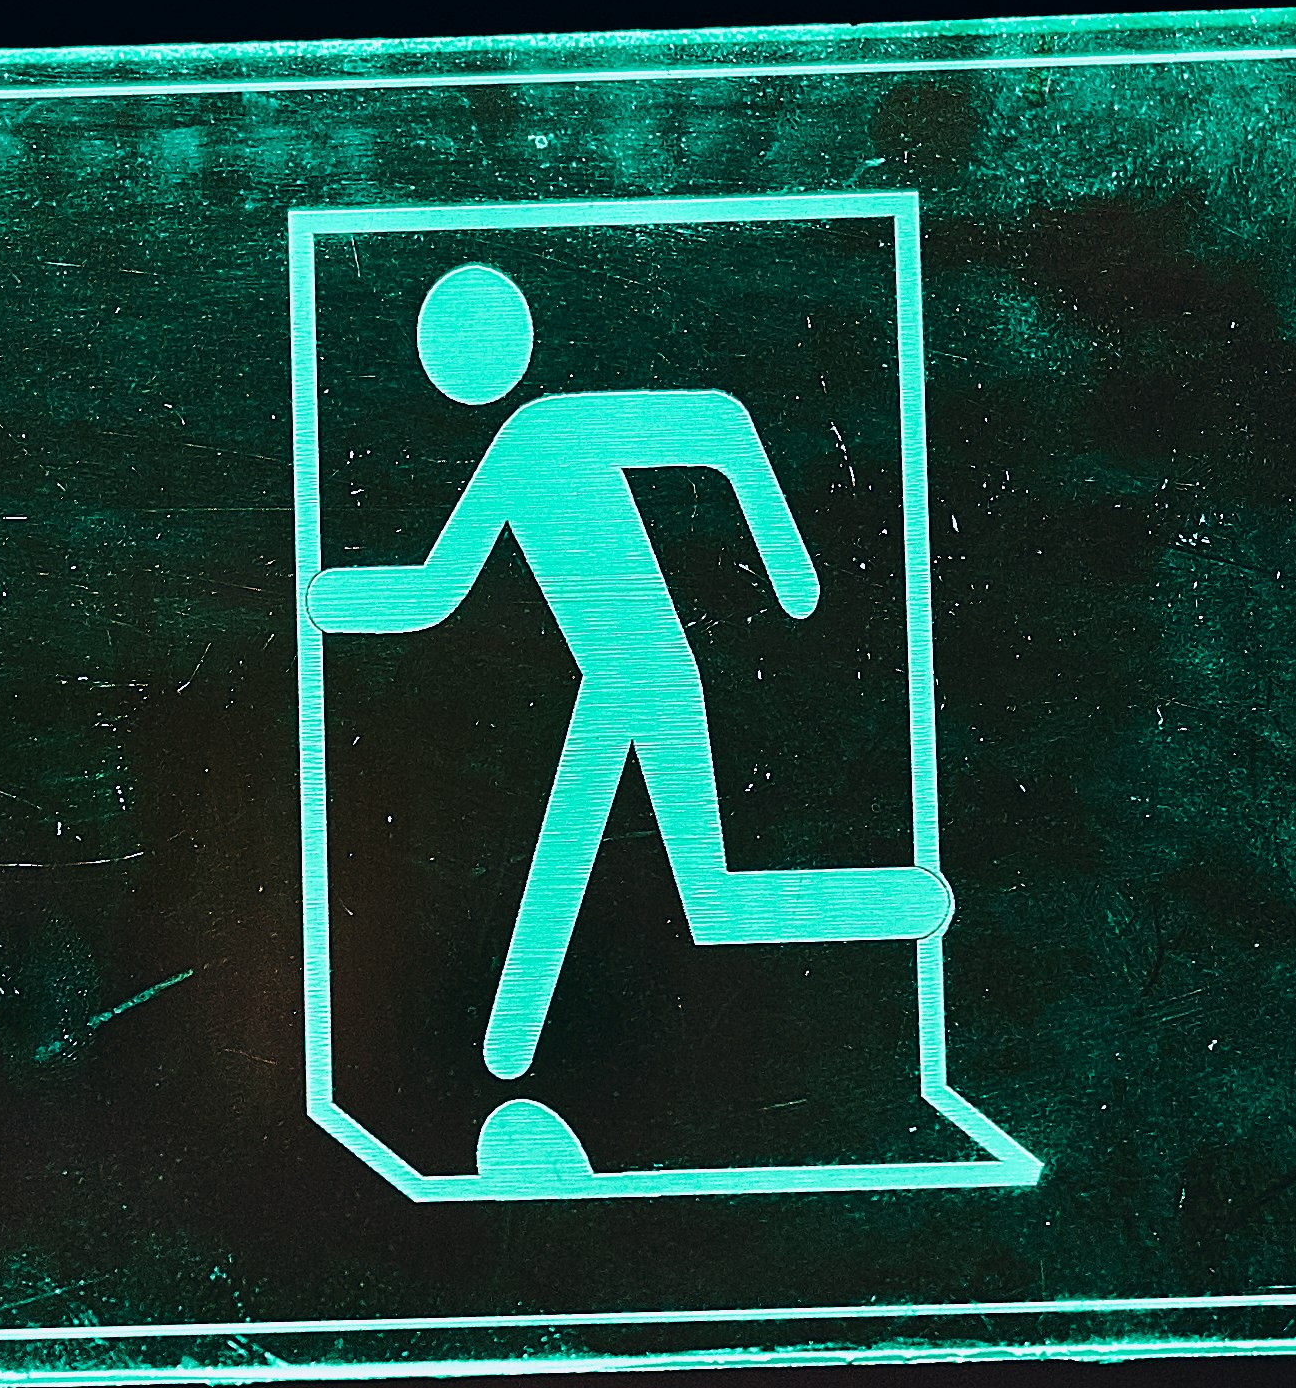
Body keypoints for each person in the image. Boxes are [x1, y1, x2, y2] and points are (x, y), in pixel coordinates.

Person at [309, 258, 942, 1089]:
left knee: (689, 893)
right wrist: (330, 599)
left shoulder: (553, 429)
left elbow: (718, 424)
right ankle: (511, 1039)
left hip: (651, 677)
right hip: (618, 680)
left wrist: (792, 571)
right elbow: (436, 587)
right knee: (674, 886)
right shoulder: (519, 449)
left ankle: (899, 904)